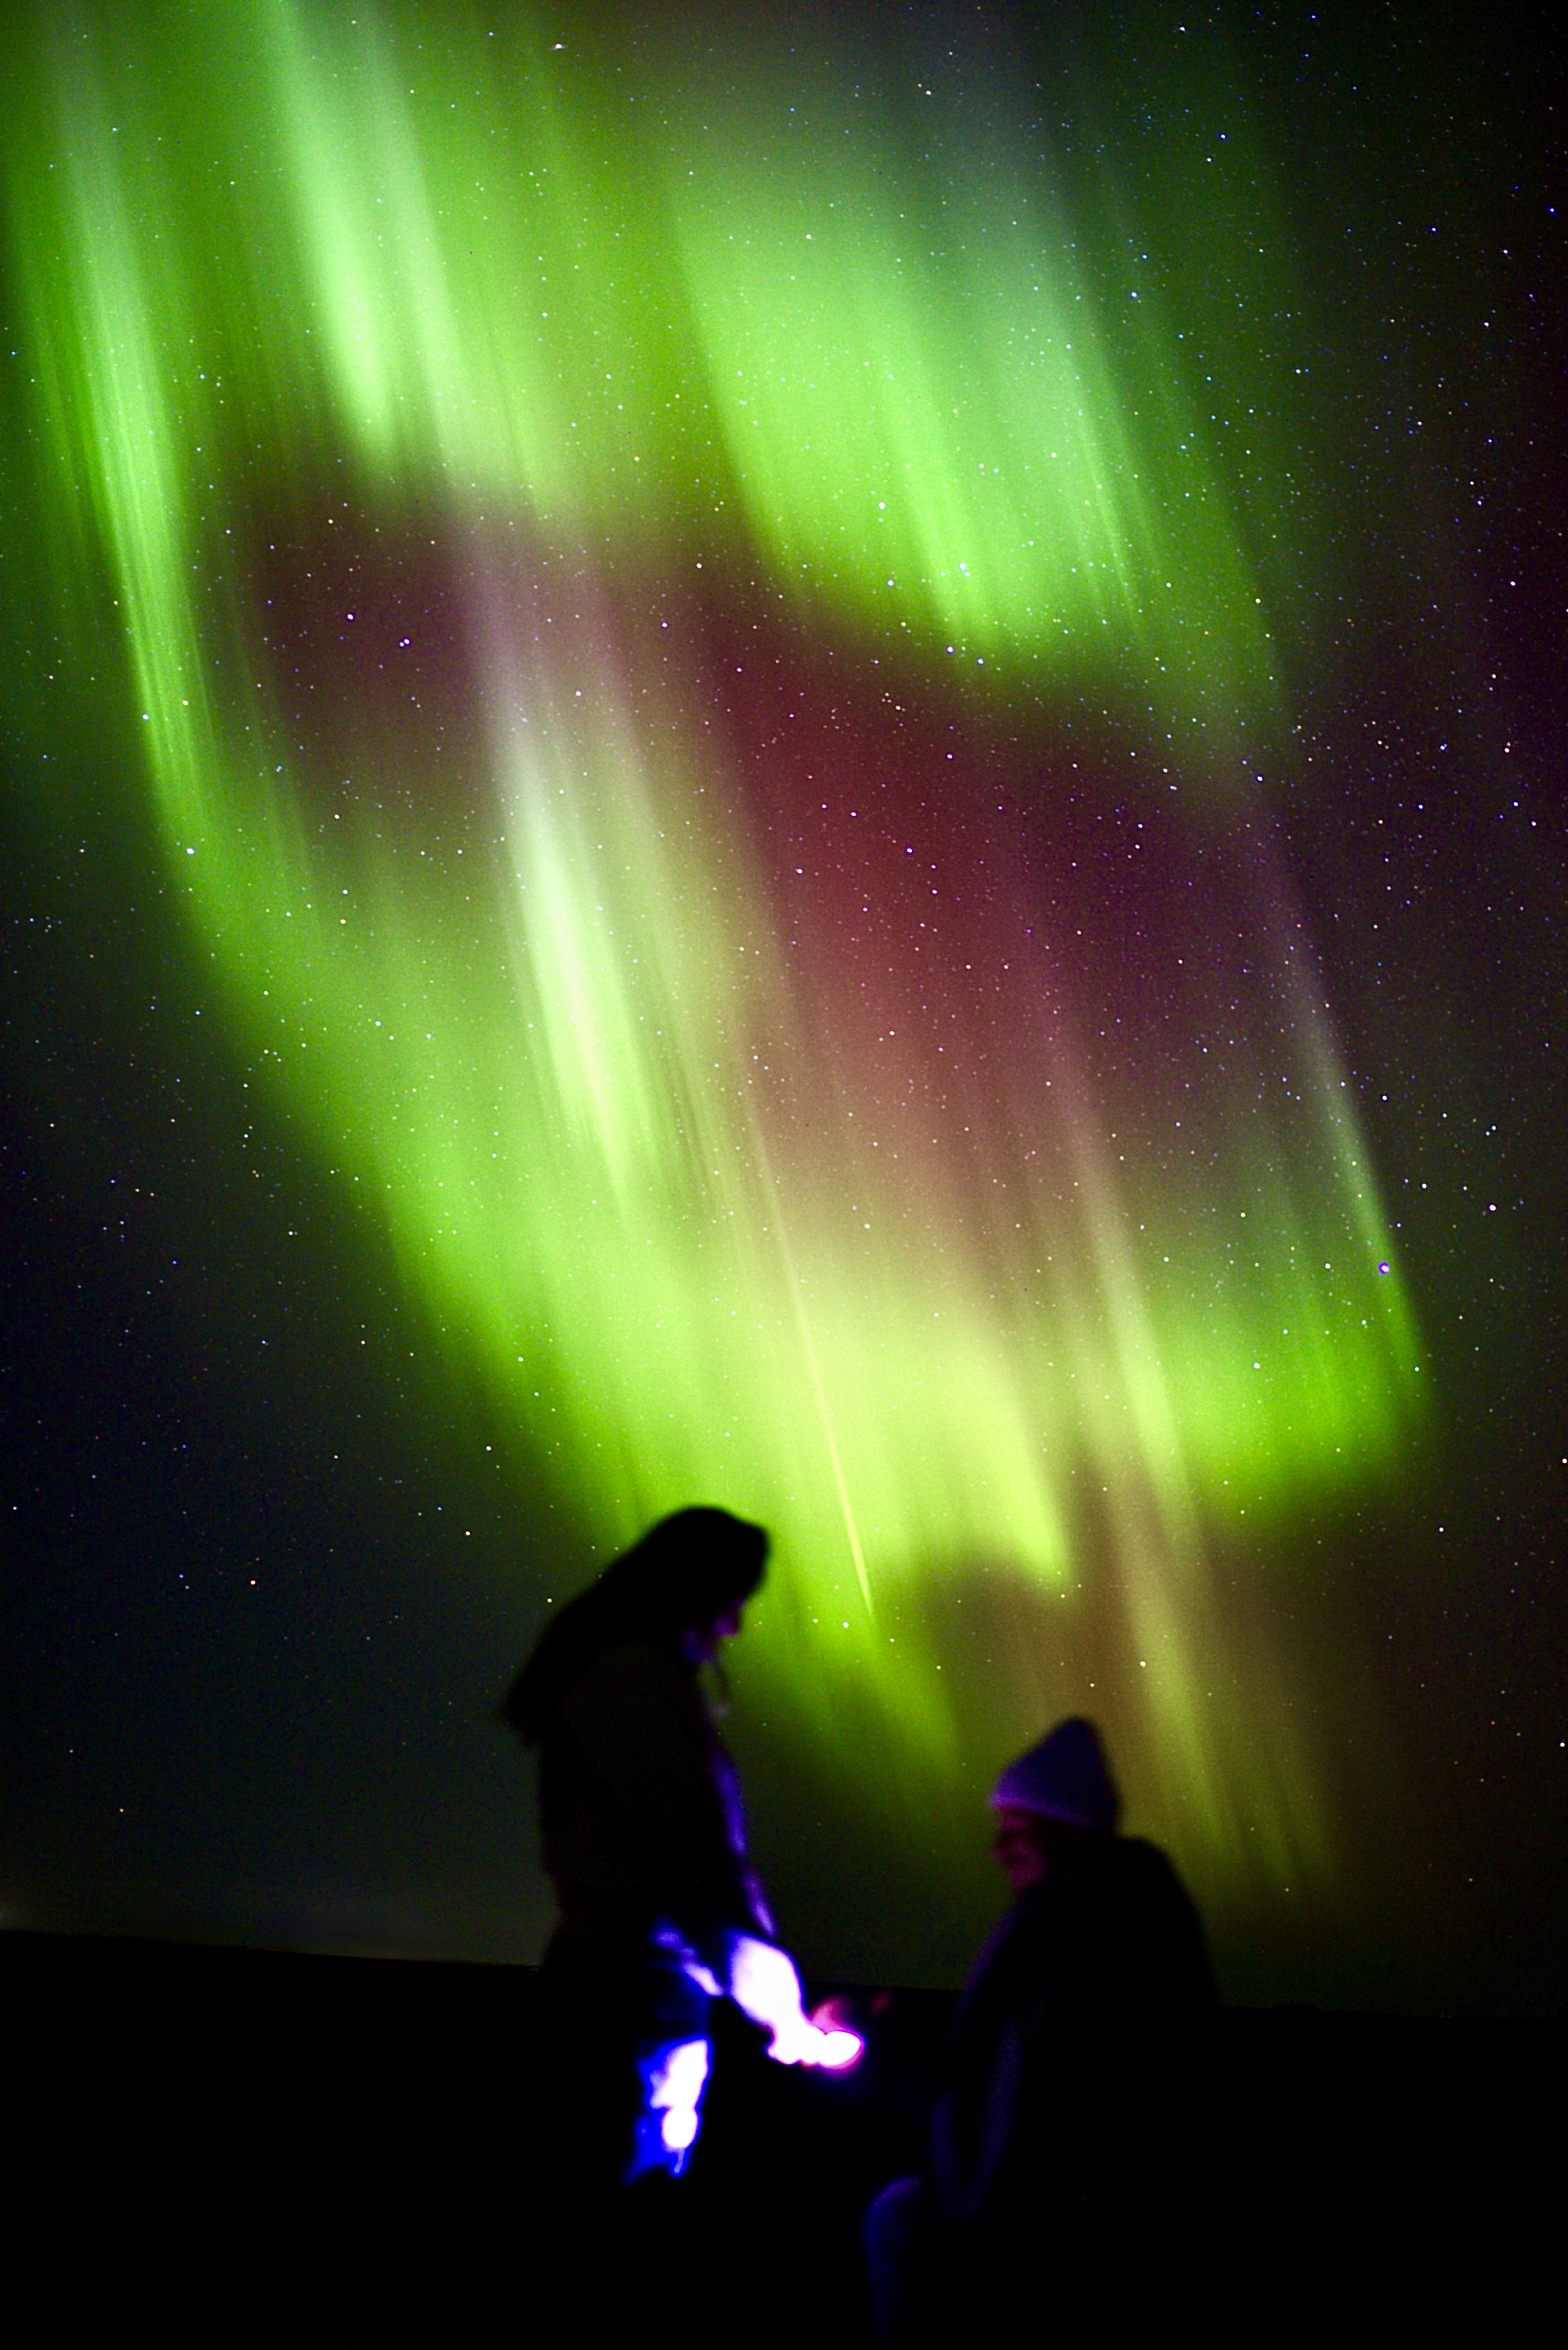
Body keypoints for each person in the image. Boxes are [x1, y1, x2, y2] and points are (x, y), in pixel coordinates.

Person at [502, 1506, 841, 2193]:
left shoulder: (613, 1678)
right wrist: (782, 2015)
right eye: (732, 1602)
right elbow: (695, 1868)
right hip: (631, 2007)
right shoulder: (635, 1686)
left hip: (612, 1994)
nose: (735, 1627)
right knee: (619, 2211)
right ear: (691, 1591)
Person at [865, 1717, 1215, 2343]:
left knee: (898, 2221)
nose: (998, 1849)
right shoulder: (1122, 1911)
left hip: (1054, 2234)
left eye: (1017, 1831)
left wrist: (879, 2051)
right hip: (1082, 2216)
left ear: (1070, 1830)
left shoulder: (1080, 1932)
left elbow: (1011, 2106)